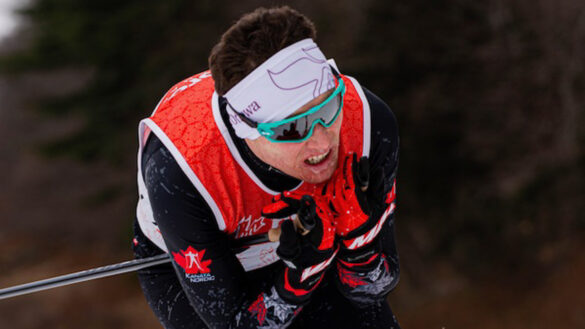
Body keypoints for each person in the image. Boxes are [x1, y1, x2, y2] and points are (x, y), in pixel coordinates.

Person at [132, 6, 400, 329]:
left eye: (328, 107)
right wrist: (297, 281)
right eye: (292, 129)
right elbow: (233, 323)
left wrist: (361, 243)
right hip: (188, 262)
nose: (322, 142)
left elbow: (373, 290)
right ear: (248, 129)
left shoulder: (367, 123)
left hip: (312, 246)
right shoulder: (181, 171)